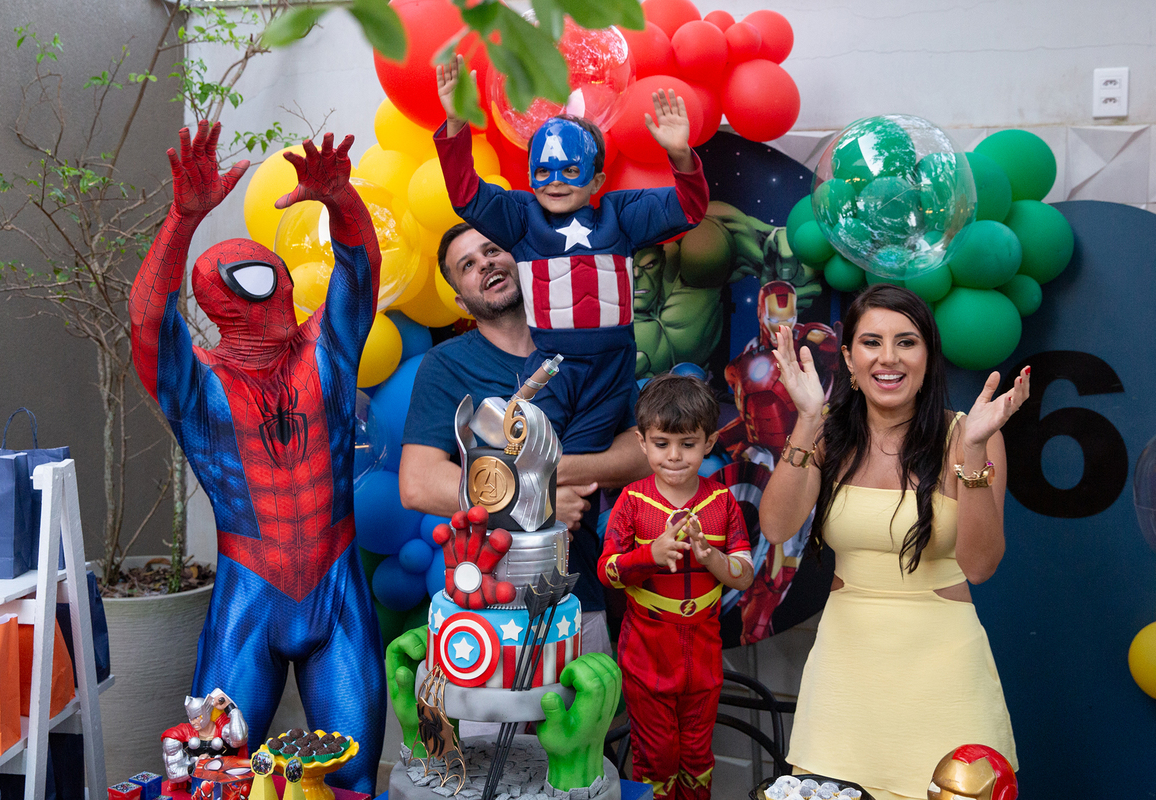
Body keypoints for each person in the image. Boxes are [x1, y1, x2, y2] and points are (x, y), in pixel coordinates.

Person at [130, 122, 384, 792]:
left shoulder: (325, 352)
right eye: (248, 287)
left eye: (269, 280)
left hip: (336, 589)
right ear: (219, 305)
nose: (269, 299)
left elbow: (361, 270)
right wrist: (183, 219)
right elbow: (147, 322)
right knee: (218, 778)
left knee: (351, 779)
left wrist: (342, 201)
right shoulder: (202, 386)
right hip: (250, 596)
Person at [758, 284, 1030, 800]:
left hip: (944, 670)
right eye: (871, 342)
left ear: (928, 355)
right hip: (845, 666)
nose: (888, 358)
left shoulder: (969, 434)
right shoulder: (829, 433)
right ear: (848, 358)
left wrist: (972, 454)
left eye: (906, 342)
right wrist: (808, 419)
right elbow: (775, 526)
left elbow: (980, 565)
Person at [433, 55, 708, 458]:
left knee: (584, 459)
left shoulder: (621, 215)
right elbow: (465, 193)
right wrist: (456, 123)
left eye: (570, 170)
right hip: (551, 366)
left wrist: (681, 156)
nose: (555, 182)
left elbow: (689, 208)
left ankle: (574, 523)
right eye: (543, 172)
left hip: (611, 371)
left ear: (596, 179)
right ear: (530, 176)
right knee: (531, 451)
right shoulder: (521, 218)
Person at [398, 223, 651, 655]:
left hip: (577, 593)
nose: (486, 264)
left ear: (520, 262)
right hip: (483, 607)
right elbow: (418, 483)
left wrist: (551, 474)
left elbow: (644, 452)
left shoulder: (587, 349)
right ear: (462, 300)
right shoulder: (445, 365)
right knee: (493, 724)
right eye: (468, 265)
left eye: (492, 249)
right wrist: (537, 500)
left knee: (582, 721)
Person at [597, 373, 755, 800]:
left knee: (698, 758)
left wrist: (712, 558)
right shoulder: (632, 502)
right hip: (648, 649)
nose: (674, 456)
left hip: (703, 649)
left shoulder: (722, 502)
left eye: (688, 444)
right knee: (657, 757)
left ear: (708, 442)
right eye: (662, 443)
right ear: (642, 442)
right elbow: (608, 571)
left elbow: (745, 572)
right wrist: (651, 554)